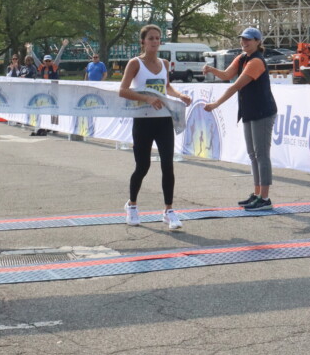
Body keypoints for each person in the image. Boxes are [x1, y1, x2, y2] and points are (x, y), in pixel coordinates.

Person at [118, 24, 191, 230]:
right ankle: (132, 205)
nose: (155, 42)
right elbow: (123, 90)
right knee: (143, 166)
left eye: (158, 38)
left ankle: (168, 211)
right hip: (143, 119)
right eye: (151, 38)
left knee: (168, 164)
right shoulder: (135, 63)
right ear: (143, 42)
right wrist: (147, 98)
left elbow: (166, 86)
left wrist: (179, 95)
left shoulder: (164, 63)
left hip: (163, 119)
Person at [202, 27, 278, 211]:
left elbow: (235, 86)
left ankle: (265, 198)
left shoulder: (256, 61)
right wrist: (212, 69)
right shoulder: (242, 58)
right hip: (249, 111)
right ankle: (257, 193)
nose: (244, 43)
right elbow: (227, 75)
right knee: (253, 154)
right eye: (242, 39)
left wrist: (215, 104)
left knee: (261, 155)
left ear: (258, 42)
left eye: (248, 40)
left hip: (262, 111)